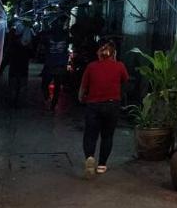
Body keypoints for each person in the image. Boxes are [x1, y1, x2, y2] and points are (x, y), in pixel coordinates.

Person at [79, 41, 129, 177]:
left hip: (93, 105)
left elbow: (83, 87)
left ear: (99, 53)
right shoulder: (120, 66)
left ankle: (90, 157)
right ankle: (101, 165)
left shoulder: (91, 67)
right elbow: (125, 82)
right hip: (112, 105)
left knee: (90, 134)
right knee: (107, 136)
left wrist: (81, 98)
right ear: (114, 54)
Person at [40, 22, 71, 111]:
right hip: (60, 65)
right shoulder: (65, 38)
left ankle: (48, 99)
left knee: (45, 84)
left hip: (50, 64)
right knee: (57, 86)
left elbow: (42, 43)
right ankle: (53, 104)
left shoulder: (48, 38)